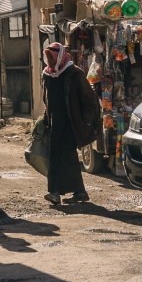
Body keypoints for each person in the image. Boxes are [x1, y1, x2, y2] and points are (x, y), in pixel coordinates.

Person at [40, 41, 101, 207]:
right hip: (54, 122)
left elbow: (90, 99)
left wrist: (87, 121)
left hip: (71, 122)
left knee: (66, 156)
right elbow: (46, 99)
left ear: (59, 56)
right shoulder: (47, 74)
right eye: (48, 58)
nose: (49, 61)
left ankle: (57, 192)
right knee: (57, 156)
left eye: (51, 57)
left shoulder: (74, 73)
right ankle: (74, 191)